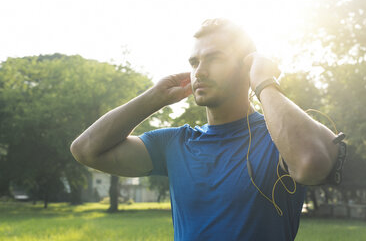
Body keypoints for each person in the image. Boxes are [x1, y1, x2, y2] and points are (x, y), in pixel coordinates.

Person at [70, 19, 341, 240]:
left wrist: (264, 82)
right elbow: (86, 150)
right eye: (194, 62)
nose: (199, 71)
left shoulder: (280, 136)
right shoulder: (175, 143)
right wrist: (155, 97)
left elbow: (312, 163)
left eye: (213, 58)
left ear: (247, 66)